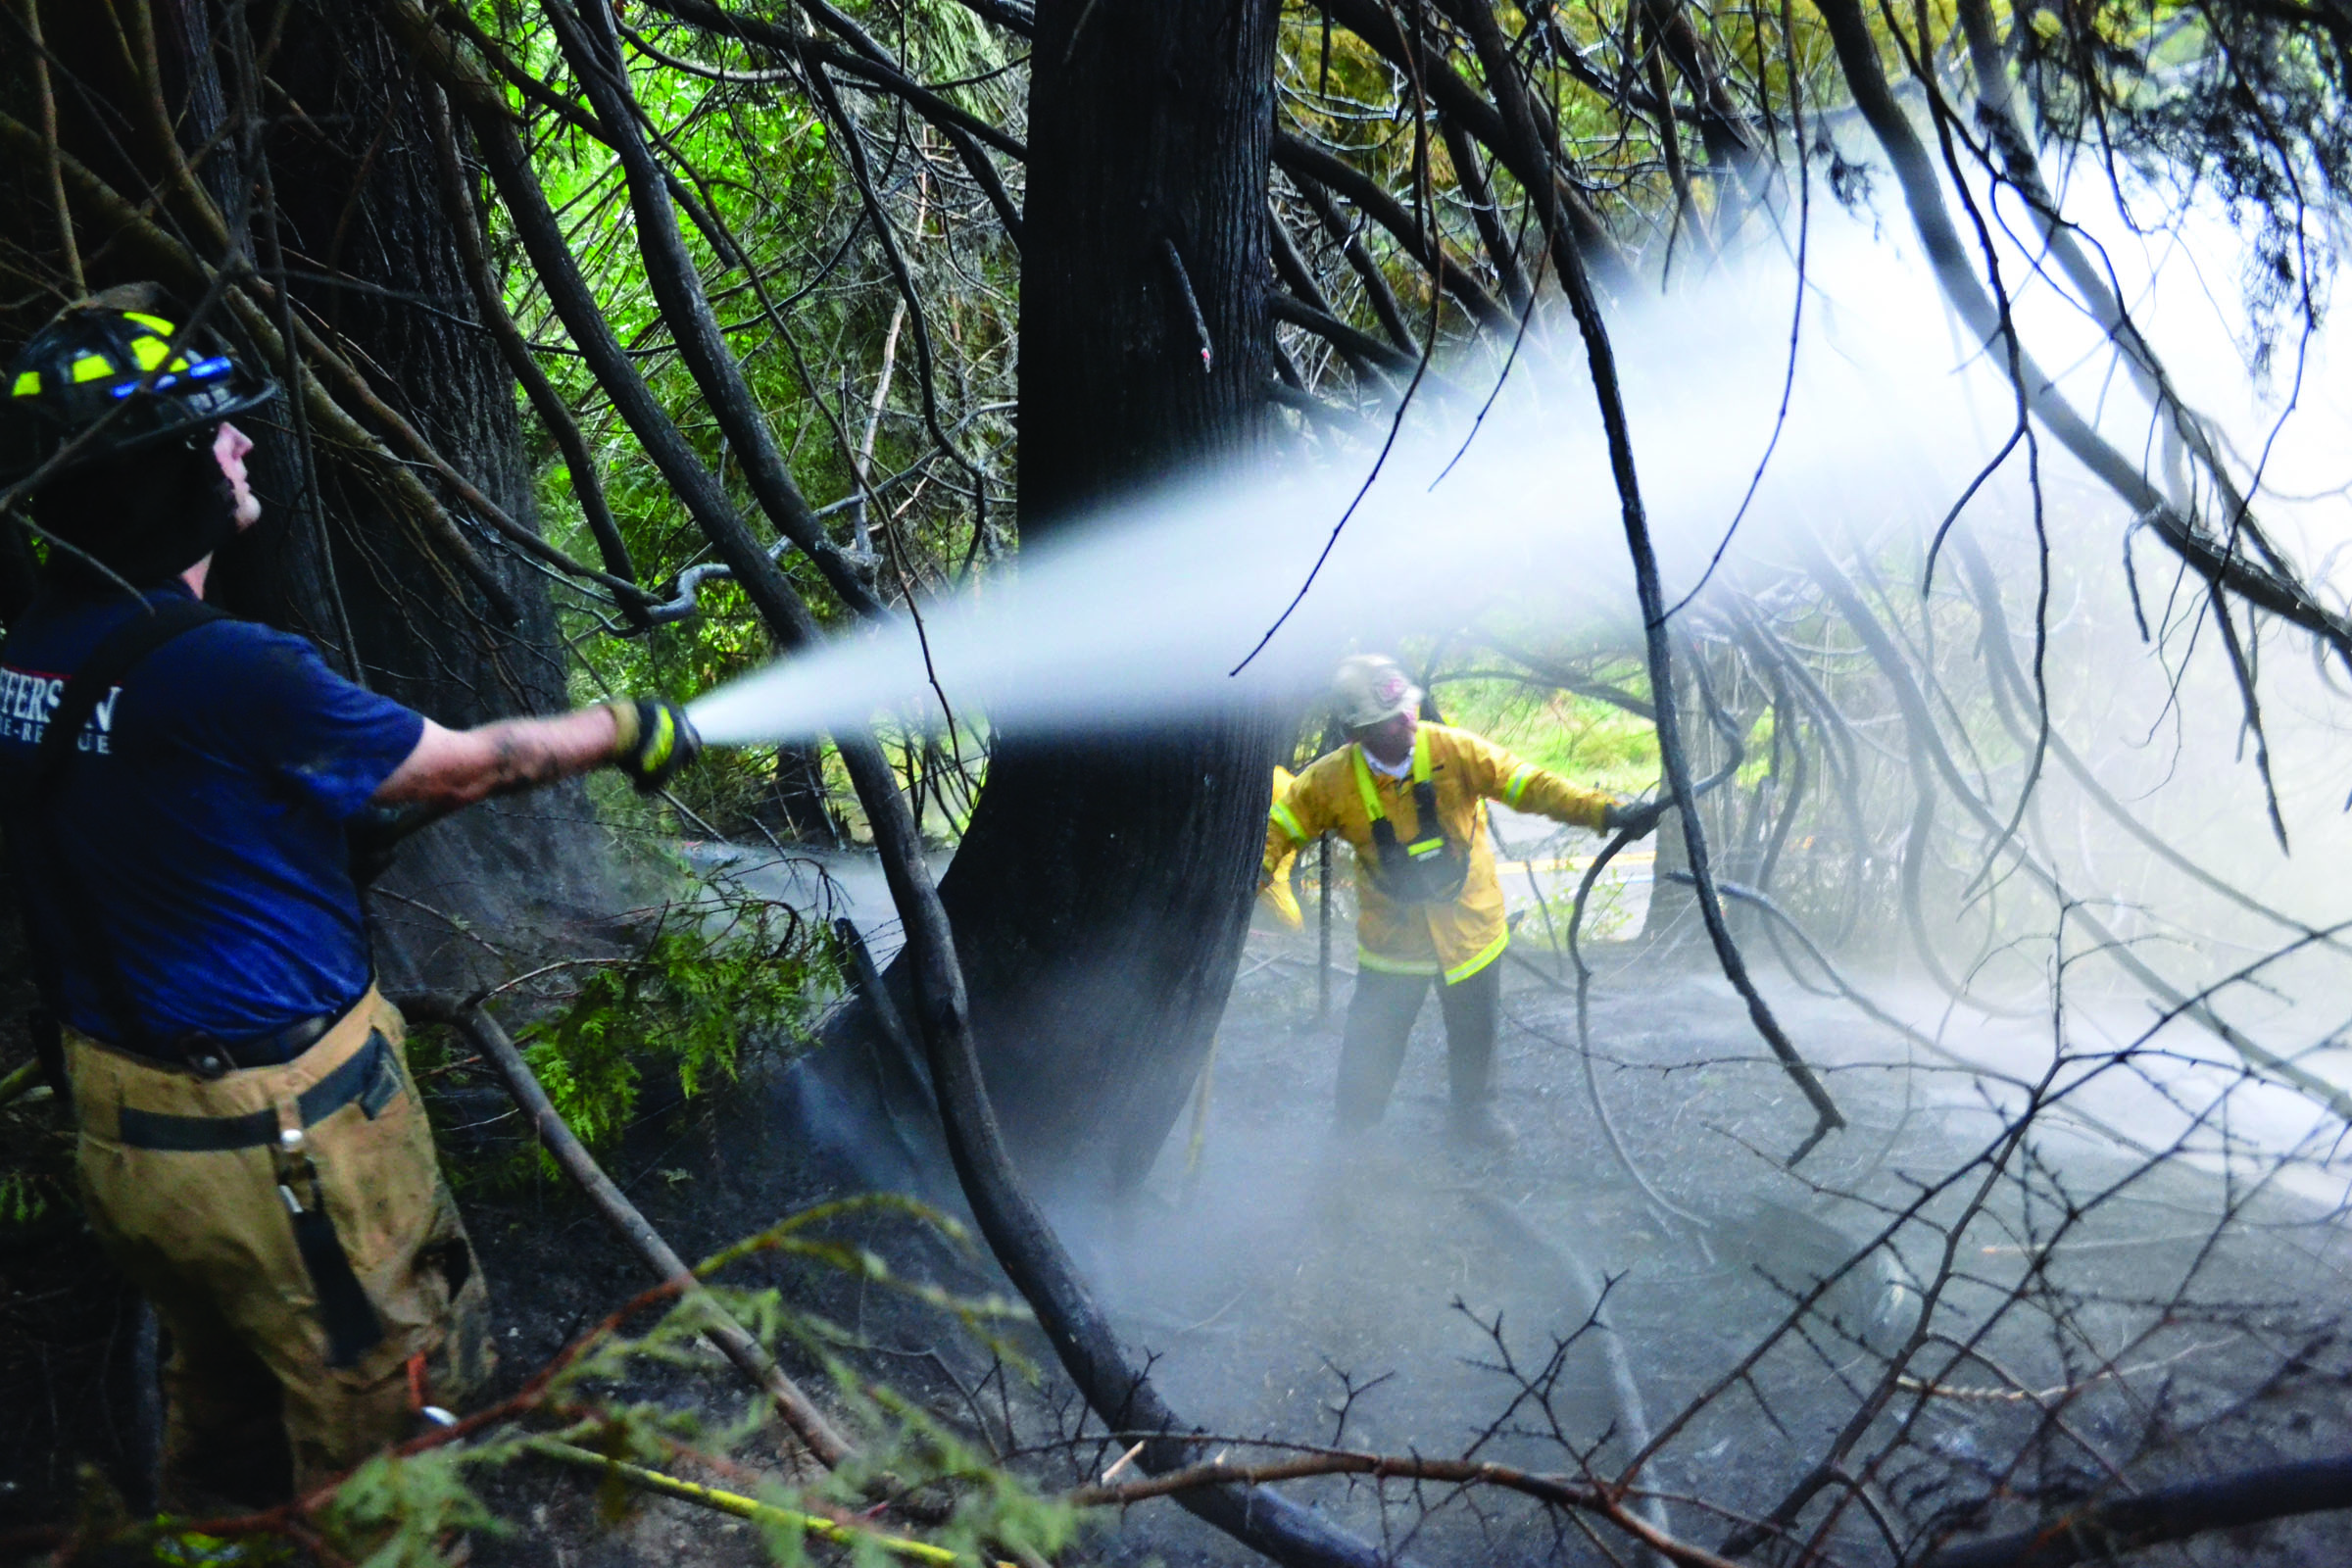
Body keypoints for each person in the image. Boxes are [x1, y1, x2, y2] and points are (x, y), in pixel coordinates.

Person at [0, 288, 702, 1505]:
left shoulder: (29, 653)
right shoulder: (237, 671)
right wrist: (624, 726)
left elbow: (169, 817)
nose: (244, 445)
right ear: (166, 472)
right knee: (388, 1421)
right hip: (287, 1140)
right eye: (218, 433)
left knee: (224, 1407)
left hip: (127, 1130)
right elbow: (472, 761)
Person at [1263, 654, 1663, 1150]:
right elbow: (1280, 828)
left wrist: (1608, 812)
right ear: (1357, 731)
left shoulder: (1454, 751)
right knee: (1374, 1037)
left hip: (1472, 927)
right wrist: (1252, 874)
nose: (1409, 719)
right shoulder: (1329, 781)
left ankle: (1475, 1113)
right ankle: (1354, 1128)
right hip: (1394, 939)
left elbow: (1530, 785)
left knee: (1476, 1030)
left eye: (1407, 708)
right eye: (1392, 719)